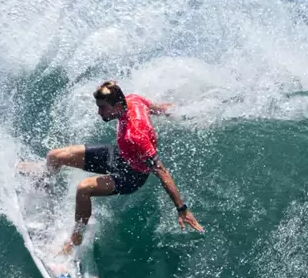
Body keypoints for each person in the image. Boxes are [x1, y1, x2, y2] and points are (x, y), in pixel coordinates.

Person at [30, 80, 203, 252]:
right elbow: (157, 108)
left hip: (131, 176)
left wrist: (182, 209)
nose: (99, 112)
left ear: (118, 105)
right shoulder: (133, 100)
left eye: (103, 108)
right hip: (121, 155)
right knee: (54, 157)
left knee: (84, 188)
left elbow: (161, 171)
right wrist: (181, 110)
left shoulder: (135, 135)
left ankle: (76, 238)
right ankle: (44, 183)